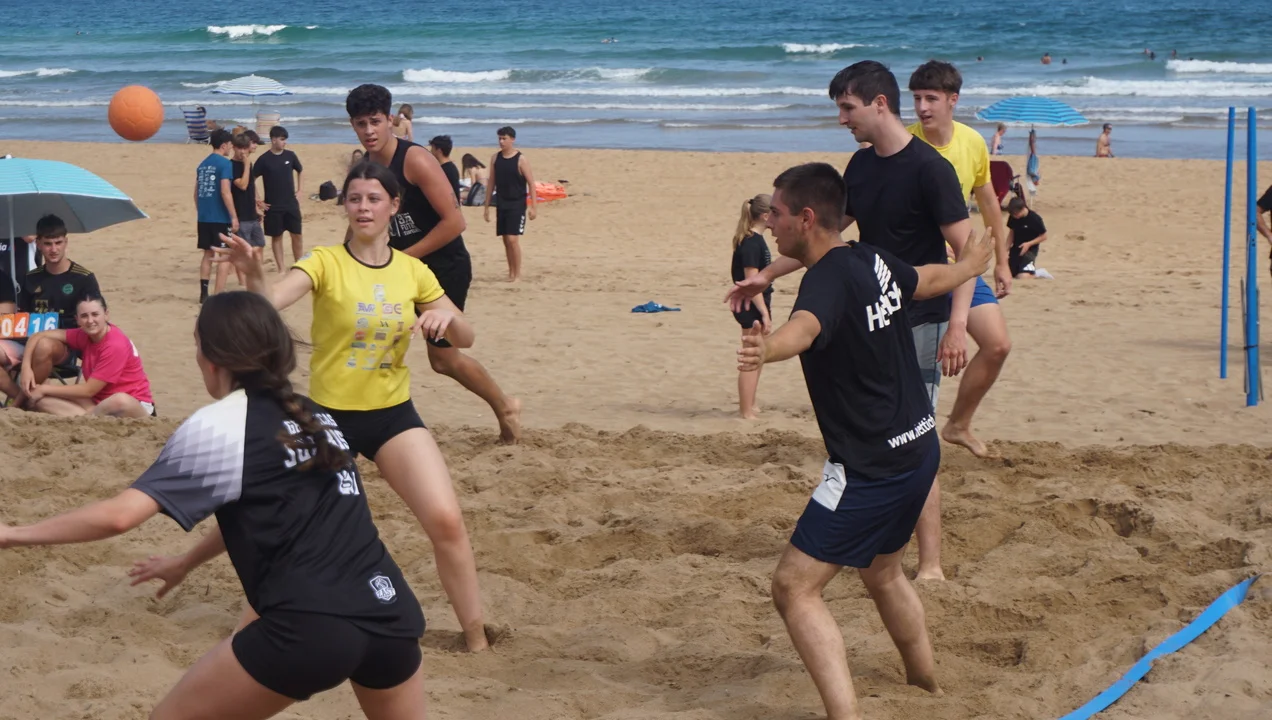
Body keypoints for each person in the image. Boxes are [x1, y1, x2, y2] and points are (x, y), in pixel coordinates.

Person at [0, 291, 429, 718]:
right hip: (391, 614)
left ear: (212, 359)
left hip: (310, 624)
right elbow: (273, 507)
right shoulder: (311, 413)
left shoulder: (223, 423)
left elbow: (119, 517)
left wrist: (14, 534)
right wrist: (186, 562)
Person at [737, 163, 991, 720]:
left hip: (872, 469)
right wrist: (967, 266)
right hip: (920, 448)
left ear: (806, 218)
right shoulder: (869, 257)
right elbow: (923, 279)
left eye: (777, 213)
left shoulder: (824, 280)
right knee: (882, 572)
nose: (770, 222)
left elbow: (805, 328)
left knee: (793, 588)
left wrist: (769, 349)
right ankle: (926, 684)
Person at [216, 159, 491, 652]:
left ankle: (476, 638)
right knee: (293, 529)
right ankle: (246, 634)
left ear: (394, 206)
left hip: (392, 414)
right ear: (345, 205)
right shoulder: (324, 261)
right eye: (355, 198)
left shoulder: (414, 271)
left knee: (447, 520)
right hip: (326, 418)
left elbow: (466, 337)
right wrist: (254, 274)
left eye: (374, 199)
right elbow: (267, 303)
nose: (363, 207)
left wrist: (446, 321)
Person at [728, 61, 974, 582]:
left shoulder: (930, 169)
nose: (842, 119)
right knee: (881, 431)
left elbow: (965, 253)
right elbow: (822, 237)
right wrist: (764, 275)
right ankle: (884, 553)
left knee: (915, 435)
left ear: (879, 104)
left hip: (921, 312)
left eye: (847, 107)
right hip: (871, 311)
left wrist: (958, 325)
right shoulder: (860, 167)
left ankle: (930, 563)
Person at [345, 83, 521, 445]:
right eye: (361, 124)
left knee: (443, 360)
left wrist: (401, 261)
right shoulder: (365, 167)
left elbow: (455, 222)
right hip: (402, 271)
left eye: (375, 121)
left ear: (391, 120)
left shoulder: (415, 160)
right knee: (369, 338)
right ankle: (363, 429)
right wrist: (343, 261)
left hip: (443, 268)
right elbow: (362, 222)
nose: (369, 131)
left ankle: (505, 406)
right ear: (352, 125)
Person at [908, 60, 1013, 465]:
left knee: (998, 344)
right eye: (917, 98)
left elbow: (988, 203)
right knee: (911, 369)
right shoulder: (904, 144)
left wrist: (1002, 261)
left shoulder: (972, 142)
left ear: (953, 100)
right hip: (920, 271)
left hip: (964, 268)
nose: (922, 107)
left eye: (931, 99)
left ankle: (958, 425)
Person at [0, 214, 102, 403]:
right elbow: (23, 318)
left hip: (65, 346)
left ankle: (19, 403)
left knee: (44, 345)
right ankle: (20, 399)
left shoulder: (83, 278)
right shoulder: (31, 278)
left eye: (58, 243)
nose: (53, 249)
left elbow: (97, 318)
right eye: (47, 244)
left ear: (66, 242)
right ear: (38, 244)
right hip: (27, 342)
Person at [18, 294, 154, 417]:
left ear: (106, 315)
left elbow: (89, 390)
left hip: (135, 405)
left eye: (95, 314)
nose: (90, 320)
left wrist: (44, 388)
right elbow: (39, 335)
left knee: (119, 400)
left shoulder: (114, 344)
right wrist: (26, 367)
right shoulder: (83, 335)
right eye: (84, 316)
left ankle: (88, 417)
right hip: (97, 401)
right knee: (41, 401)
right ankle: (89, 417)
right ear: (77, 320)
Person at [730, 194, 773, 420]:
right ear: (765, 216)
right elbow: (751, 282)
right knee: (750, 357)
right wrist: (764, 313)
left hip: (758, 303)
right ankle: (746, 410)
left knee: (758, 356)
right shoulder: (750, 243)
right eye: (775, 213)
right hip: (750, 305)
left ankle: (751, 403)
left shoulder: (756, 240)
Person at [484, 126, 537, 282]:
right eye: (500, 138)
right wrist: (486, 206)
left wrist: (533, 207)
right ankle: (511, 272)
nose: (501, 141)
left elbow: (531, 183)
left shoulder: (521, 159)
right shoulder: (495, 158)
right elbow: (491, 182)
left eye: (504, 138)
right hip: (502, 203)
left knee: (513, 240)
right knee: (506, 240)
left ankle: (517, 274)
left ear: (512, 139)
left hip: (517, 204)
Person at [252, 126, 304, 273]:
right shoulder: (264, 159)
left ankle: (299, 265)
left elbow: (300, 170)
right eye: (282, 139)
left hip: (291, 204)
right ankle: (281, 268)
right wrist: (258, 199)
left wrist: (300, 190)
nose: (284, 142)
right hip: (273, 206)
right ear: (273, 140)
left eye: (285, 139)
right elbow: (251, 179)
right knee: (277, 237)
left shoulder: (290, 156)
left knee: (297, 235)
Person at [195, 128, 237, 303]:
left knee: (207, 254)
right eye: (230, 145)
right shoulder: (225, 164)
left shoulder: (202, 165)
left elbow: (196, 193)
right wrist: (234, 216)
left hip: (204, 217)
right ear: (224, 145)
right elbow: (225, 191)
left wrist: (201, 211)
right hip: (220, 217)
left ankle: (204, 293)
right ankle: (218, 294)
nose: (231, 148)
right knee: (224, 255)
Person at [231, 133, 266, 273]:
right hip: (240, 215)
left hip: (251, 214)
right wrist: (246, 165)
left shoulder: (248, 164)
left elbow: (250, 187)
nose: (243, 152)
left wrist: (256, 207)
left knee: (259, 245)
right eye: (239, 148)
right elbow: (242, 185)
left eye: (245, 148)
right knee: (244, 250)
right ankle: (243, 280)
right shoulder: (231, 165)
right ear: (234, 147)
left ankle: (257, 274)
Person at [1006, 197, 1048, 278]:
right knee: (1009, 274)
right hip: (1016, 249)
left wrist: (1028, 244)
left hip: (1030, 251)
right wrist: (1005, 250)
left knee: (1022, 276)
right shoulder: (1013, 217)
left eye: (1016, 214)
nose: (1014, 216)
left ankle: (1039, 273)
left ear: (1023, 209)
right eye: (1013, 214)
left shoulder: (1034, 219)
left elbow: (1044, 236)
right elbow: (1011, 234)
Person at [428, 135, 462, 202]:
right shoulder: (451, 167)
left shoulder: (444, 171)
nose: (431, 151)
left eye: (432, 148)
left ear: (439, 151)